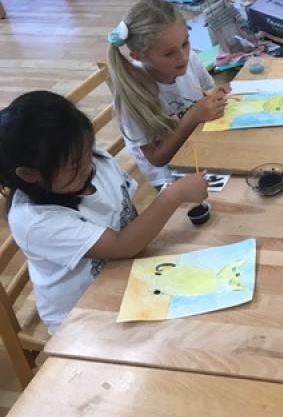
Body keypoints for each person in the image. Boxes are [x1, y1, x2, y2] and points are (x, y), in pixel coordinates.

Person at [0, 91, 208, 333]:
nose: (88, 164)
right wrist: (174, 195)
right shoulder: (35, 221)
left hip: (129, 276)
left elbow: (128, 212)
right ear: (30, 174)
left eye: (87, 150)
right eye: (75, 164)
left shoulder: (95, 163)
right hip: (82, 316)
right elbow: (121, 245)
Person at [107, 0, 229, 188]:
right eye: (169, 53)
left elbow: (204, 93)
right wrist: (192, 117)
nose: (183, 56)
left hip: (199, 145)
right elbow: (157, 159)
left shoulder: (190, 60)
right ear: (139, 56)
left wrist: (216, 97)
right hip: (171, 177)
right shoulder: (132, 97)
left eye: (185, 44)